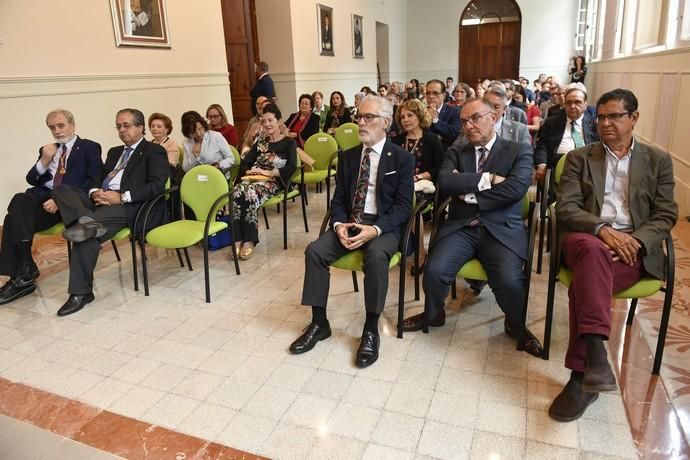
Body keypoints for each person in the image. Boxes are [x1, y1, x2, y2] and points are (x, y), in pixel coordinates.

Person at [548, 88, 677, 422]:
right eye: (600, 117)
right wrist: (604, 230)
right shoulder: (579, 157)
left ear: (633, 118)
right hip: (587, 238)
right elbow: (567, 208)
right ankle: (594, 360)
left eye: (614, 116)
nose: (605, 123)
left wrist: (636, 241)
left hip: (632, 250)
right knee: (592, 252)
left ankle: (583, 373)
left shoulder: (657, 161)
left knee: (586, 283)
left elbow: (665, 214)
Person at [401, 98, 543, 358]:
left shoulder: (518, 149)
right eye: (464, 121)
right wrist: (488, 179)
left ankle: (514, 322)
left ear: (493, 116)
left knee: (510, 281)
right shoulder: (458, 150)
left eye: (475, 118)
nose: (469, 125)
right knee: (433, 272)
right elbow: (444, 182)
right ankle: (434, 314)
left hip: (500, 228)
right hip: (461, 226)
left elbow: (516, 189)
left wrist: (468, 193)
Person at [290, 95, 414, 368]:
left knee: (376, 257)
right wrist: (339, 225)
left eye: (368, 117)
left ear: (385, 122)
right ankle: (319, 322)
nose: (361, 122)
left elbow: (404, 207)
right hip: (351, 222)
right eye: (359, 116)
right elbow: (338, 201)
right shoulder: (348, 157)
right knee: (315, 251)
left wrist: (375, 229)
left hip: (384, 226)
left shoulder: (402, 159)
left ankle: (370, 329)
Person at [51, 108, 168, 316]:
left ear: (140, 128)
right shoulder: (115, 151)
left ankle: (81, 293)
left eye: (127, 125)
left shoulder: (154, 151)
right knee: (61, 190)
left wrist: (121, 196)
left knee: (83, 235)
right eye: (119, 126)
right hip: (101, 202)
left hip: (128, 206)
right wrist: (95, 191)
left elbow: (157, 186)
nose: (122, 130)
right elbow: (98, 176)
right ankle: (87, 222)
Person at [0, 110, 103, 305]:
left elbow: (94, 179)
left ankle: (15, 274)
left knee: (11, 218)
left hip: (69, 204)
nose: (57, 131)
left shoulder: (90, 147)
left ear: (73, 125)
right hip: (42, 199)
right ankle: (25, 266)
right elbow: (31, 179)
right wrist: (45, 160)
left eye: (61, 125)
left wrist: (60, 199)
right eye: (52, 127)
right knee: (20, 200)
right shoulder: (47, 149)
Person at [232, 103, 296, 260]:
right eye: (263, 121)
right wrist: (248, 171)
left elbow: (292, 166)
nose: (266, 124)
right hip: (255, 178)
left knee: (250, 194)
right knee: (238, 190)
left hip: (274, 181)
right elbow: (247, 161)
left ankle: (250, 239)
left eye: (270, 120)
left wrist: (268, 172)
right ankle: (237, 237)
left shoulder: (288, 142)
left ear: (279, 121)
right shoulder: (260, 142)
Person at [391, 99, 444, 270]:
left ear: (419, 116)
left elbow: (439, 167)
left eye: (410, 115)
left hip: (424, 186)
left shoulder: (432, 139)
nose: (405, 119)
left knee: (412, 206)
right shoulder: (396, 141)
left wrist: (419, 176)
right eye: (402, 117)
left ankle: (421, 252)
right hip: (400, 185)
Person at [534, 83, 598, 184]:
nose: (572, 106)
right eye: (569, 103)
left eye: (577, 102)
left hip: (587, 166)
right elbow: (542, 145)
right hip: (557, 165)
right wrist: (541, 164)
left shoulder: (594, 124)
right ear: (564, 104)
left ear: (585, 105)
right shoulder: (552, 122)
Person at [180, 111, 235, 179]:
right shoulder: (187, 142)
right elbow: (186, 169)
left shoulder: (215, 136)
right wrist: (194, 156)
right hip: (198, 178)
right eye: (193, 132)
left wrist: (219, 165)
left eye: (200, 129)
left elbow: (231, 159)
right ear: (188, 132)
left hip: (218, 176)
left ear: (203, 125)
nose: (198, 134)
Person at [425, 79, 460, 148]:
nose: (431, 96)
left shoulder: (454, 111)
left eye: (435, 93)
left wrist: (435, 120)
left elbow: (455, 133)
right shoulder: (422, 111)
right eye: (428, 93)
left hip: (445, 153)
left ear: (443, 95)